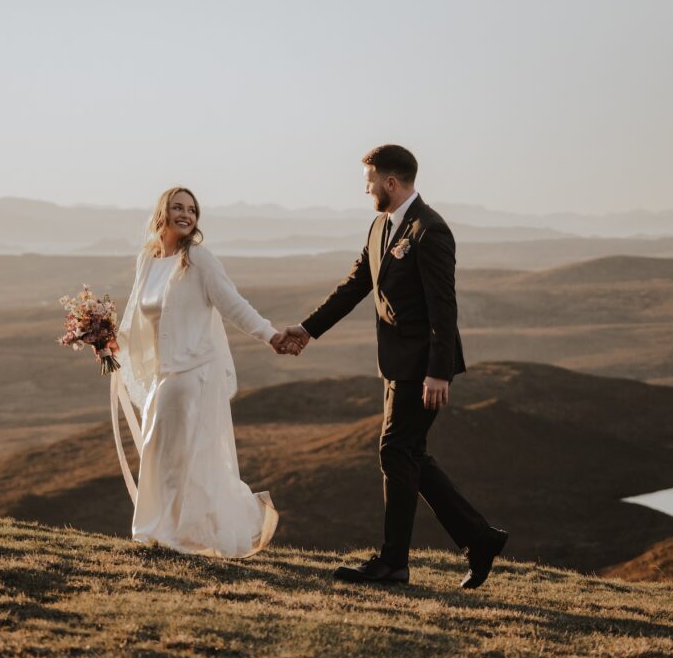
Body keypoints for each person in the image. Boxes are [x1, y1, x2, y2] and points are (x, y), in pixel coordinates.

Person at [278, 145, 508, 588]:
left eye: (369, 181)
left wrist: (438, 372)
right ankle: (479, 539)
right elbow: (355, 285)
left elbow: (444, 308)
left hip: (423, 368)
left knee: (394, 451)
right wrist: (308, 329)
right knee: (408, 454)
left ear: (390, 182)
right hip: (396, 365)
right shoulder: (380, 226)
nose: (365, 189)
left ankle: (393, 563)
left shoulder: (430, 230)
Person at [114, 186, 286, 558]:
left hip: (193, 371)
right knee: (157, 450)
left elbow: (233, 305)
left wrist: (271, 335)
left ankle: (171, 536)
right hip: (164, 373)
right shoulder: (149, 259)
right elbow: (136, 315)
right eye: (178, 207)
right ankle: (155, 531)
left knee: (173, 455)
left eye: (192, 209)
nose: (186, 215)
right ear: (163, 213)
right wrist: (108, 340)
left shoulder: (199, 261)